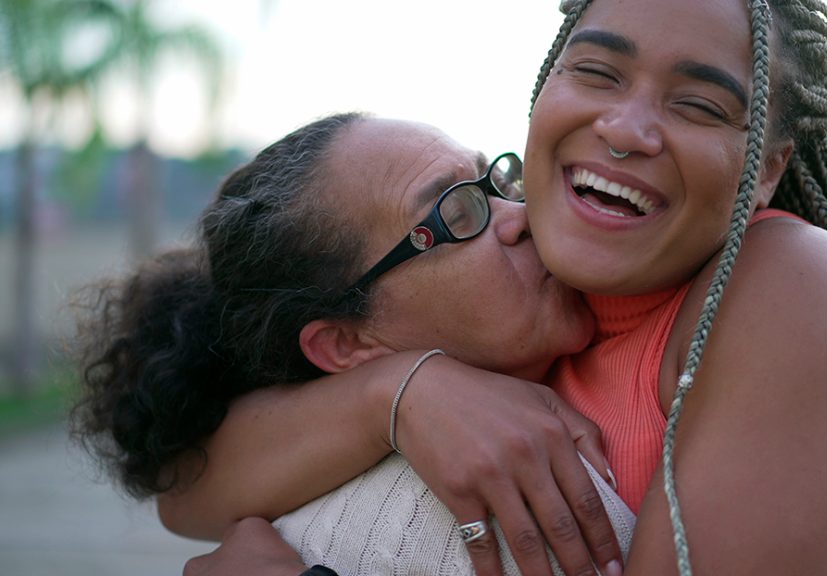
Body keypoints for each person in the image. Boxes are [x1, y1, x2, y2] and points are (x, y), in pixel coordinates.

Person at [122, 0, 827, 574]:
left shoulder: (787, 286)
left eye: (701, 106)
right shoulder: (523, 320)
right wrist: (401, 395)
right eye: (597, 72)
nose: (626, 129)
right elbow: (187, 496)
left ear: (769, 166)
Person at [69, 112, 634, 576]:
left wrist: (399, 388)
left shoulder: (635, 269)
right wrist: (402, 391)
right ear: (345, 342)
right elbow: (183, 496)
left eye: (497, 184)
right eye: (456, 214)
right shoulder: (399, 525)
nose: (524, 215)